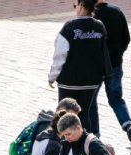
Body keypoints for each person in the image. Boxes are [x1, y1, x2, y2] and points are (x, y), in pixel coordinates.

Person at [48, 0, 112, 132]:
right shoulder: (99, 26)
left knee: (63, 114)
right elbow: (103, 52)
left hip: (69, 80)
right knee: (83, 114)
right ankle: (84, 145)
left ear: (81, 5)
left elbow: (60, 55)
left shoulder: (69, 27)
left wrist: (52, 76)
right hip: (90, 81)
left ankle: (63, 146)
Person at [91, 0, 131, 153]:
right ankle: (129, 126)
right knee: (116, 99)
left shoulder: (91, 14)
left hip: (96, 65)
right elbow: (125, 38)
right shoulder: (116, 11)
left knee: (91, 100)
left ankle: (95, 136)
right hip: (115, 63)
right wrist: (118, 52)